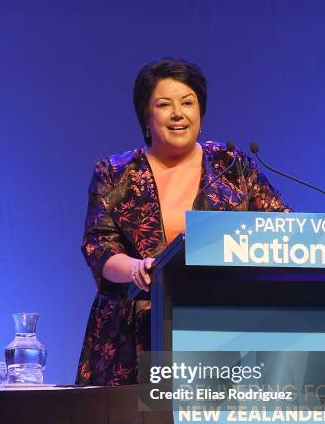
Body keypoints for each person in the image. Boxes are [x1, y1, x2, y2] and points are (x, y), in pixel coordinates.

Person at [76, 58, 290, 386]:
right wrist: (135, 267)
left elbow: (281, 225)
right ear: (146, 117)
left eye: (188, 103)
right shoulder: (116, 172)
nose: (178, 113)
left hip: (223, 329)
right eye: (164, 104)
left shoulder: (233, 167)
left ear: (200, 113)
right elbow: (98, 246)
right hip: (134, 336)